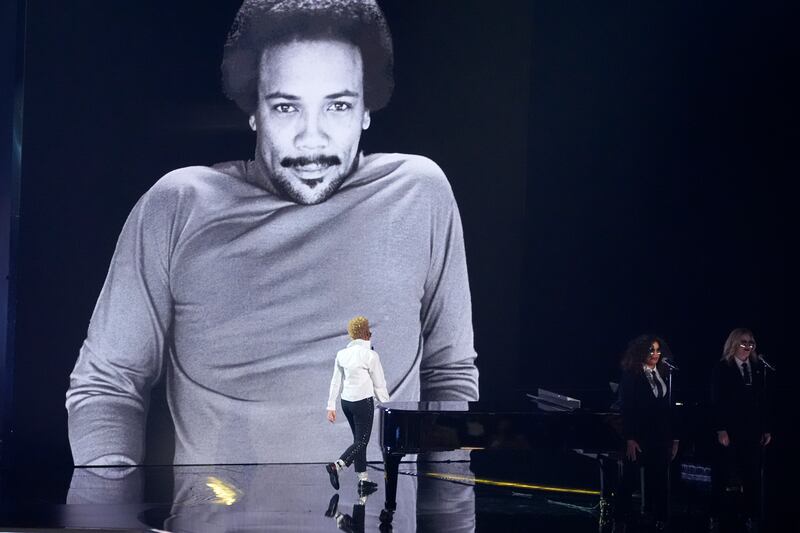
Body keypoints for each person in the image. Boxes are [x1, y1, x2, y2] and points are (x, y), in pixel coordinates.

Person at [65, 0, 478, 466]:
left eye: (338, 105)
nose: (312, 139)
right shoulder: (177, 204)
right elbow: (106, 384)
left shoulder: (420, 192)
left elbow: (450, 373)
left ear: (367, 110)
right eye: (286, 107)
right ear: (254, 111)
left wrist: (451, 511)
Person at [615, 334, 679, 530]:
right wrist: (630, 438)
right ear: (641, 352)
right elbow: (627, 409)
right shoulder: (632, 375)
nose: (656, 354)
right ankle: (621, 517)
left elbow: (669, 410)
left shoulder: (665, 373)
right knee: (630, 478)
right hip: (639, 436)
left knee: (660, 478)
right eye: (651, 350)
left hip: (661, 437)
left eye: (658, 350)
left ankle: (659, 518)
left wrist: (674, 438)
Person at [710, 328, 772, 528]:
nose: (747, 347)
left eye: (751, 343)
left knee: (752, 474)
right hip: (729, 430)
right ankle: (716, 515)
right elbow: (716, 401)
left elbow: (762, 402)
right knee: (723, 474)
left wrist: (765, 429)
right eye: (743, 342)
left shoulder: (757, 368)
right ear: (734, 345)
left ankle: (750, 515)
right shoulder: (722, 368)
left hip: (752, 431)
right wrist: (721, 429)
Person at [325, 316, 389, 492]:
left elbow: (335, 381)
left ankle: (363, 478)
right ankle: (337, 466)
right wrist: (387, 406)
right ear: (367, 333)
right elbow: (379, 384)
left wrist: (331, 406)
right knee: (362, 441)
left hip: (347, 403)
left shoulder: (342, 354)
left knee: (358, 440)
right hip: (363, 402)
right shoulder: (370, 355)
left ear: (352, 334)